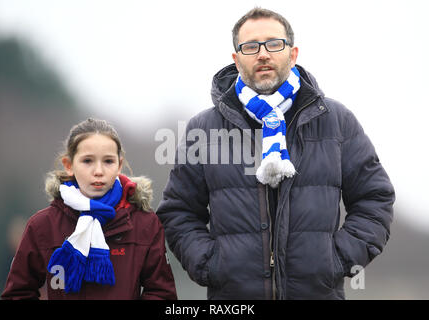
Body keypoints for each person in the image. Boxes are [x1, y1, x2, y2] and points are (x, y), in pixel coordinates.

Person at [157, 7, 395, 300]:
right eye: (250, 46)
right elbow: (178, 210)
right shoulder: (203, 129)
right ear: (236, 58)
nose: (263, 54)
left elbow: (375, 198)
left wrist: (338, 259)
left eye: (274, 44)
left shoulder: (336, 120)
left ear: (293, 54)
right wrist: (209, 264)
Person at [2, 118, 177, 300]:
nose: (98, 171)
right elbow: (17, 293)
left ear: (119, 165)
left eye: (108, 161)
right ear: (69, 165)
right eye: (87, 161)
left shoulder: (145, 225)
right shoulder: (42, 226)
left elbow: (162, 294)